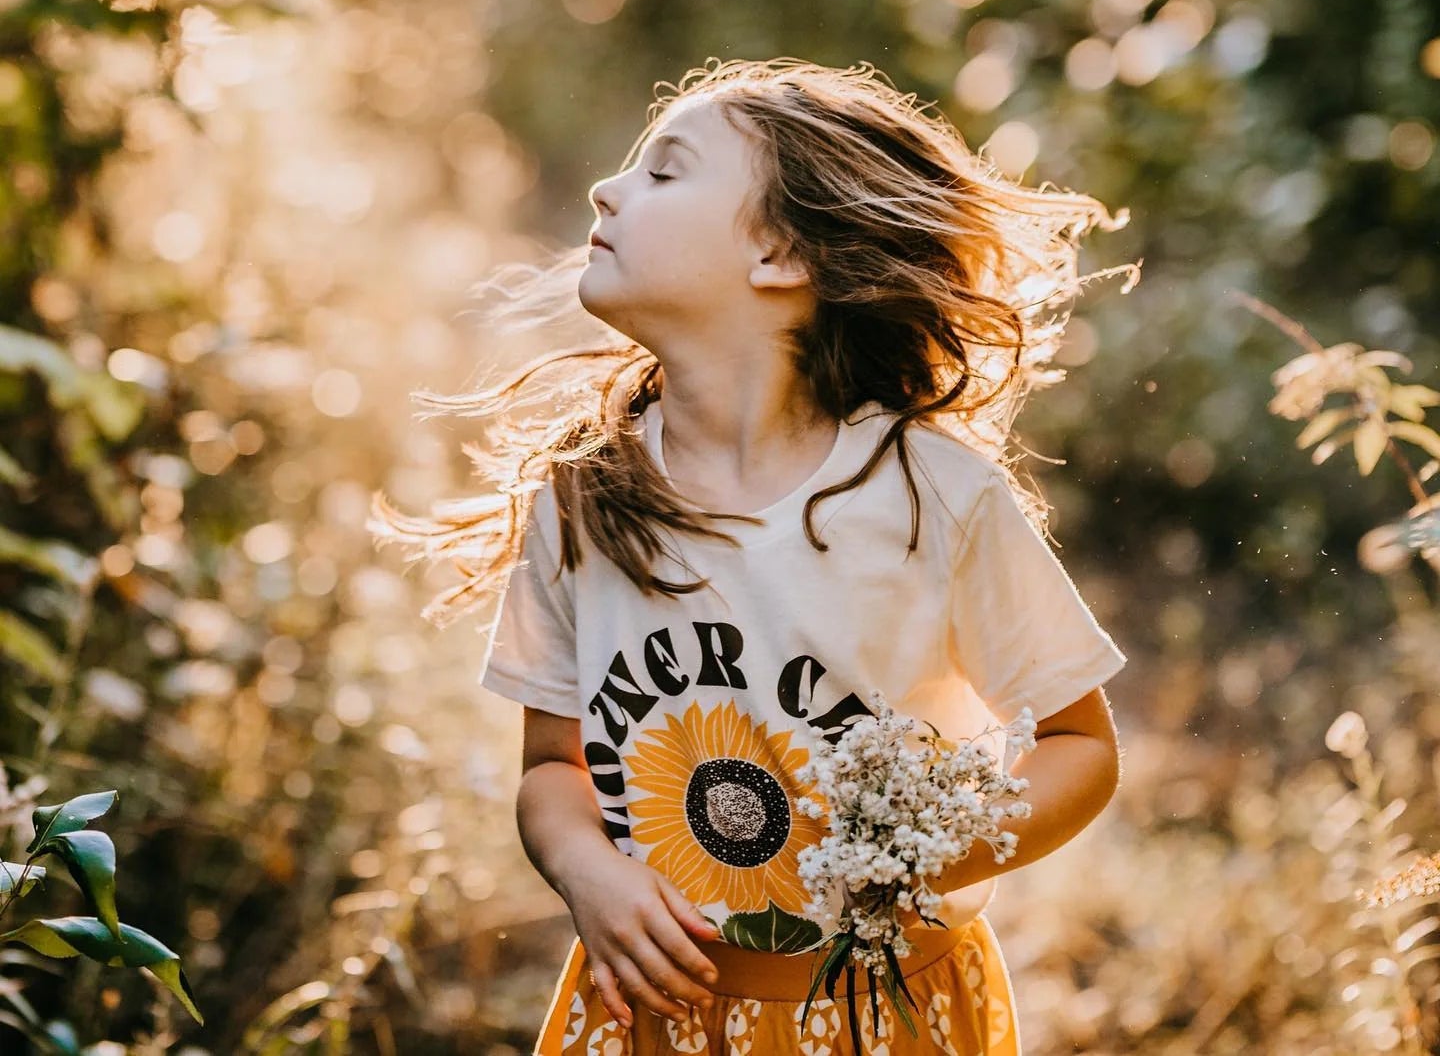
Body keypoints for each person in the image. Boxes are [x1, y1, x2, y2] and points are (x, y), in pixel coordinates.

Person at [370, 57, 1139, 1055]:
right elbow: (551, 765)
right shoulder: (588, 491)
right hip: (657, 1008)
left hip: (885, 1010)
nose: (609, 188)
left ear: (779, 252)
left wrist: (919, 853)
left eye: (665, 170)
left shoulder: (929, 495)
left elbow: (1083, 745)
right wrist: (586, 869)